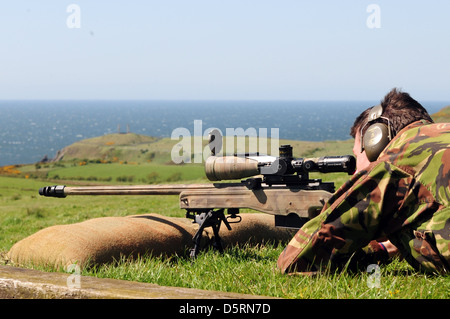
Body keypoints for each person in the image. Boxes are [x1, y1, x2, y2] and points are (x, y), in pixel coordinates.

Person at [277, 88, 450, 274]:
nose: (355, 173)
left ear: (375, 140)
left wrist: (372, 250)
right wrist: (391, 246)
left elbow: (295, 261)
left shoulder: (394, 163)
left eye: (357, 154)